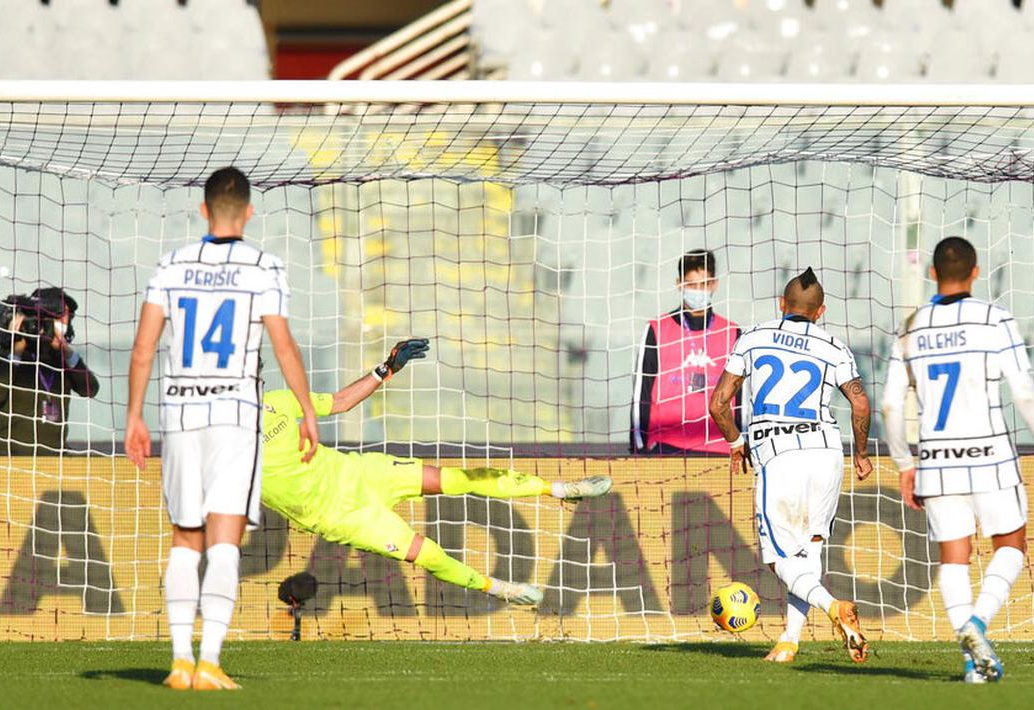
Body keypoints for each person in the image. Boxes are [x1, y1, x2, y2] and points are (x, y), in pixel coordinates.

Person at [124, 167, 320, 692]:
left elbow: (144, 348)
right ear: (249, 212)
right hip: (235, 414)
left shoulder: (172, 264)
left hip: (179, 411)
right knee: (225, 537)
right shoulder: (264, 267)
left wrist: (133, 416)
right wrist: (307, 409)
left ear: (203, 209)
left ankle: (180, 662)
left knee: (185, 537)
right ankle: (210, 661)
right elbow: (282, 345)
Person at [261, 338, 613, 605]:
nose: (256, 379)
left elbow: (336, 402)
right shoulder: (221, 442)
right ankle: (501, 589)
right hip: (340, 516)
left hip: (359, 472)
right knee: (427, 553)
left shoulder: (277, 400)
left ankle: (563, 489)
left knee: (458, 478)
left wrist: (385, 369)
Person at [881, 237, 1034, 684]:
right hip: (990, 454)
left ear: (932, 274)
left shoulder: (910, 327)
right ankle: (977, 625)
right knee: (1011, 546)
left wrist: (905, 462)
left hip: (936, 458)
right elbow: (1022, 391)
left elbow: (889, 404)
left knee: (954, 557)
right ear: (976, 272)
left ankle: (971, 661)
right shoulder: (993, 318)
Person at [709, 267, 873, 664]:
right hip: (826, 451)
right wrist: (862, 453)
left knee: (778, 558)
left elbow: (718, 403)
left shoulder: (753, 337)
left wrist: (735, 443)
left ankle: (833, 608)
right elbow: (860, 403)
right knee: (809, 550)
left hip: (779, 454)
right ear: (821, 312)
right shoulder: (834, 346)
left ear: (782, 305)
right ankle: (789, 640)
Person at [632, 249, 740, 454]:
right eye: (691, 285)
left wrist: (741, 443)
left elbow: (742, 399)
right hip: (667, 445)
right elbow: (641, 394)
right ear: (679, 284)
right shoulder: (657, 328)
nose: (698, 291)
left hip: (719, 446)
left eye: (704, 284)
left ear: (714, 284)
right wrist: (639, 446)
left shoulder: (731, 332)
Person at [0, 287, 100, 455]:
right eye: (58, 315)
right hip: (10, 458)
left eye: (66, 315)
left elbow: (90, 389)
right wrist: (17, 348)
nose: (63, 321)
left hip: (53, 461)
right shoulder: (12, 352)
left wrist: (65, 351)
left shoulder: (63, 358)